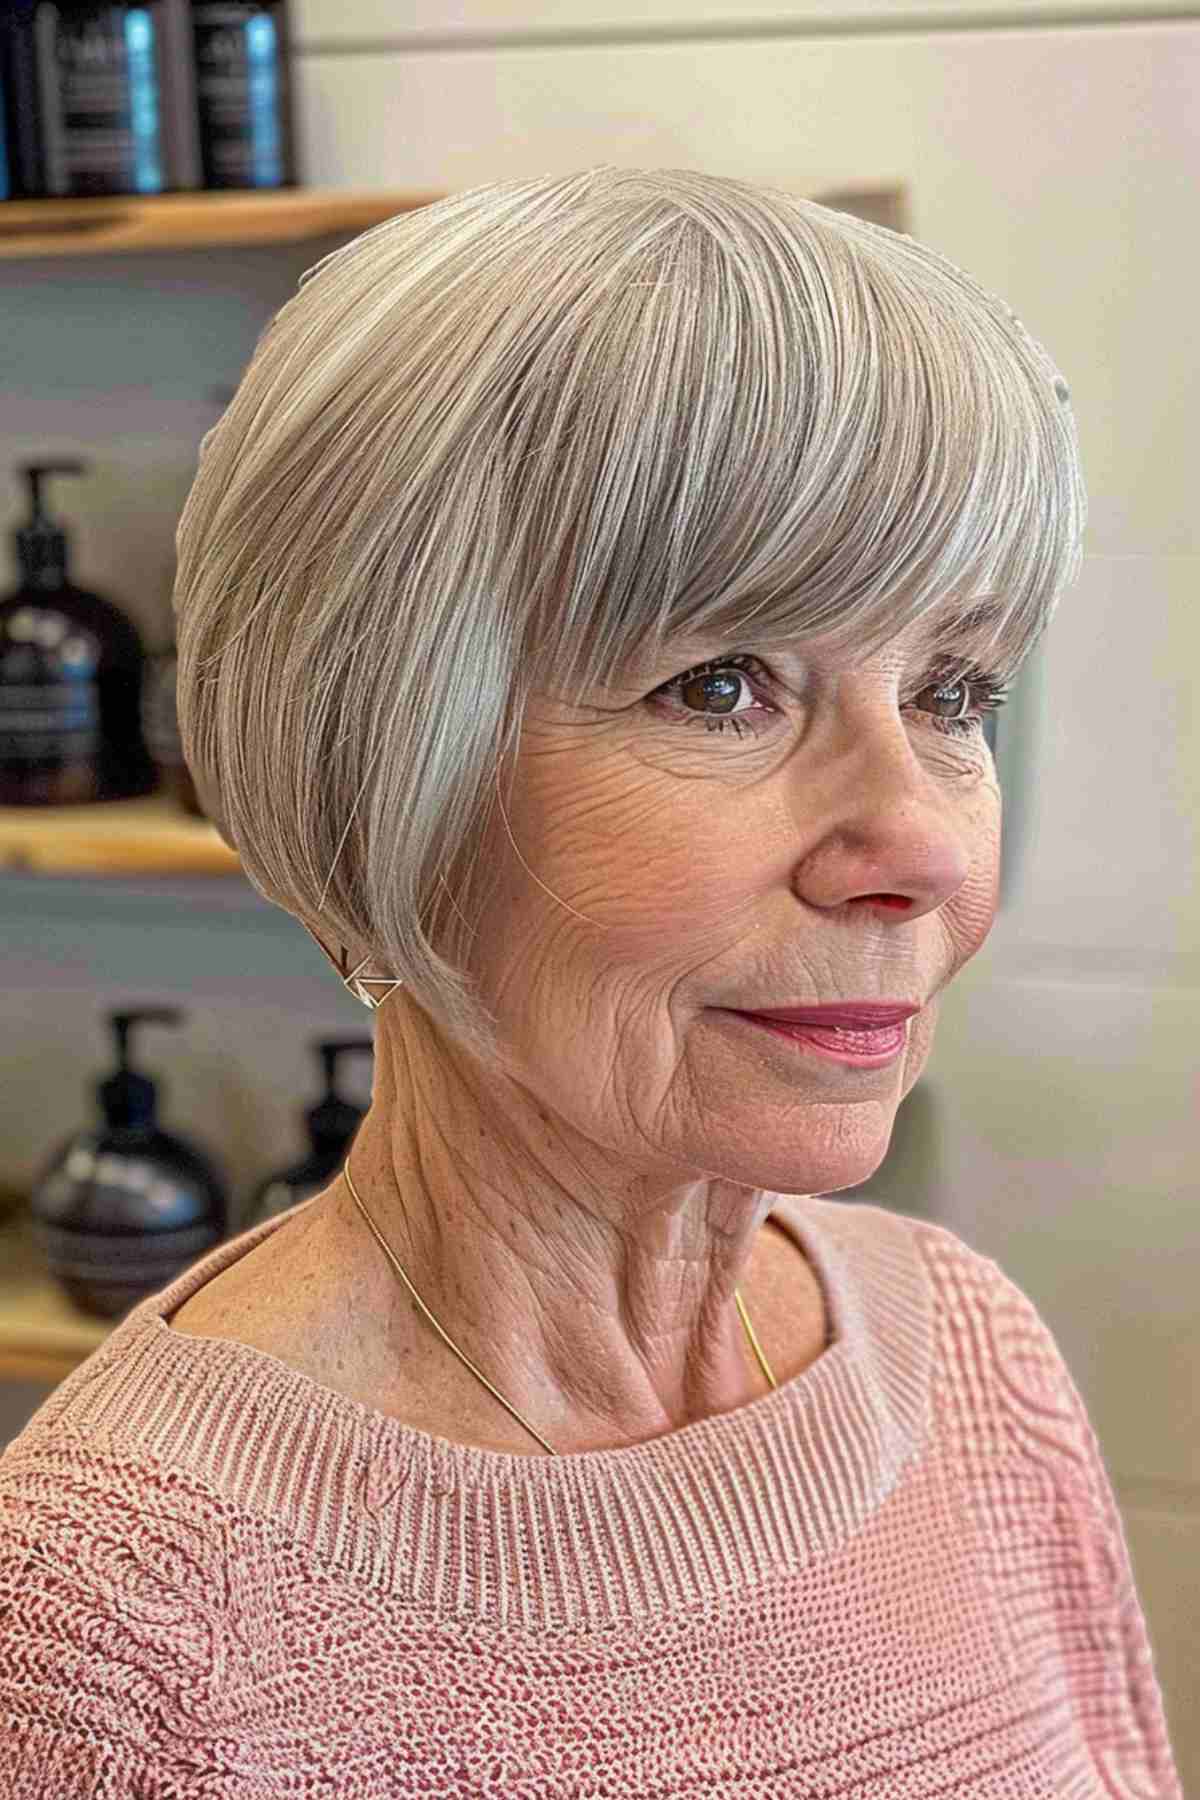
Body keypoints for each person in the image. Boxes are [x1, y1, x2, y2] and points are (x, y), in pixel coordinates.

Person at [0, 168, 1181, 1797]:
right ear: (383, 757)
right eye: (722, 687)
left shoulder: (971, 1359)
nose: (916, 841)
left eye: (953, 690)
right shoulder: (115, 1632)